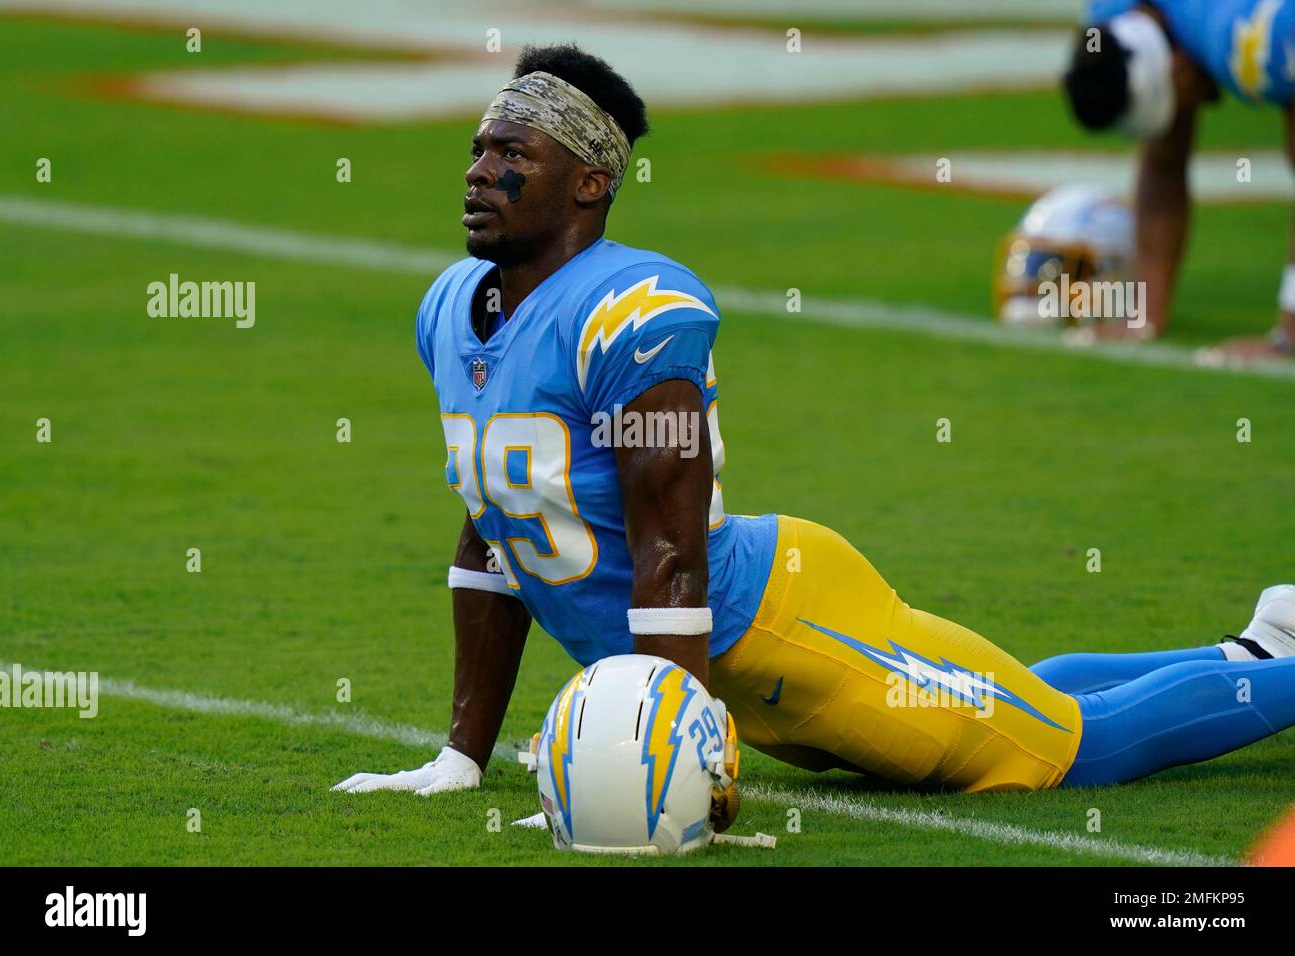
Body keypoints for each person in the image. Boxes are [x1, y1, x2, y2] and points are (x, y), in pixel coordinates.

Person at [335, 43, 1295, 802]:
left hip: (785, 626)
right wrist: (462, 755)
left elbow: (671, 549)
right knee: (1014, 700)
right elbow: (492, 526)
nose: (480, 172)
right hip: (739, 672)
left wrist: (675, 750)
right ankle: (1259, 646)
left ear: (589, 184)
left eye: (513, 155)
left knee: (1060, 751)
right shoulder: (452, 308)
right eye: (477, 149)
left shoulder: (628, 312)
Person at [1063, 1, 1295, 359]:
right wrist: (1144, 317)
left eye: (1173, 102)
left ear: (1179, 71)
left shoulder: (1250, 34)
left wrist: (1289, 336)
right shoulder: (1111, 20)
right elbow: (1163, 163)